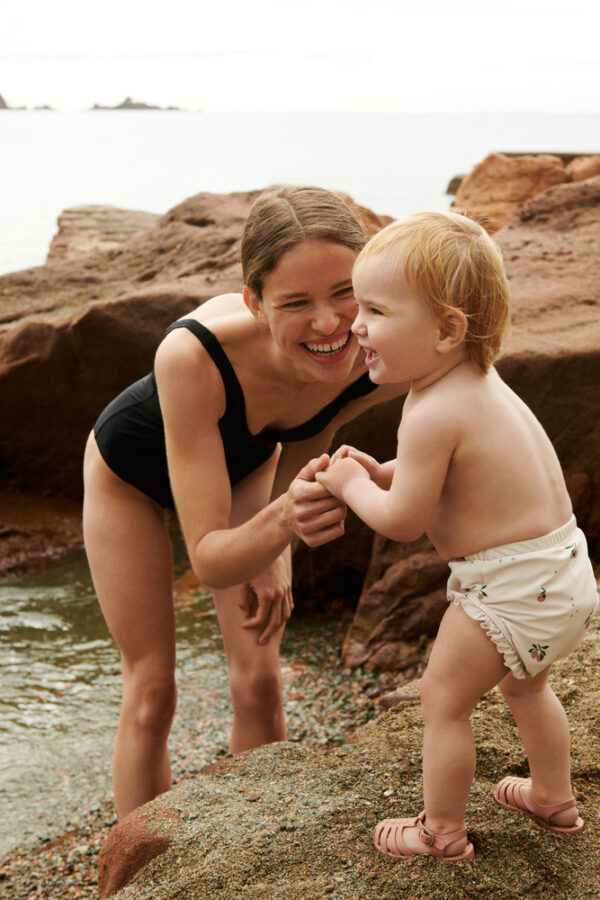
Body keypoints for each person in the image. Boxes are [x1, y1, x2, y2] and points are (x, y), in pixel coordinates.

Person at [83, 185, 405, 819]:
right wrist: (280, 523)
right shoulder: (194, 355)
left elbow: (314, 429)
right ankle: (138, 872)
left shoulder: (377, 349)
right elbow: (208, 564)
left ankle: (255, 844)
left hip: (247, 469)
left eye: (345, 292)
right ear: (255, 303)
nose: (328, 323)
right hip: (129, 475)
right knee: (153, 691)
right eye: (296, 302)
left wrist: (272, 541)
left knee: (259, 679)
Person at [315, 211, 599, 861]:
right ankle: (553, 797)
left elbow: (404, 521)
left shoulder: (430, 410)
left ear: (447, 330)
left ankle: (439, 832)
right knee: (527, 687)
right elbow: (459, 479)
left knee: (443, 701)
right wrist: (382, 470)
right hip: (564, 574)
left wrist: (350, 488)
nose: (356, 325)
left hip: (510, 587)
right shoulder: (479, 386)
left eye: (376, 311)